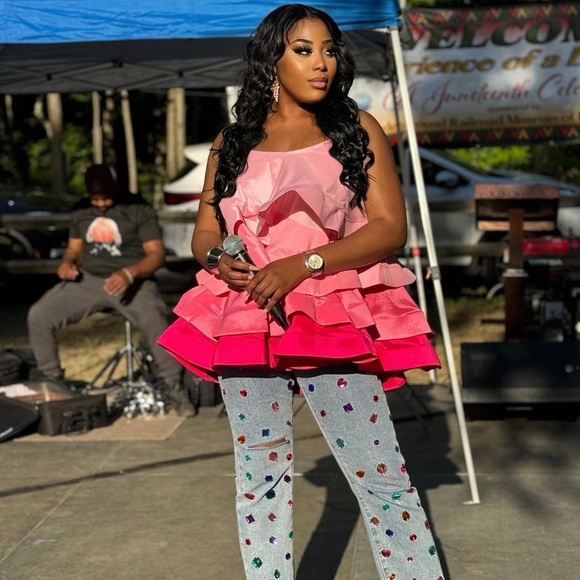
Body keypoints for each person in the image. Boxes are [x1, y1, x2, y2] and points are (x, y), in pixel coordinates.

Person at [159, 4, 445, 578]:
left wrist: (304, 263)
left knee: (379, 475)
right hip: (247, 320)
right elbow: (205, 234)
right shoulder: (231, 140)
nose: (322, 63)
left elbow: (390, 229)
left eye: (330, 50)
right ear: (271, 60)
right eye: (304, 50)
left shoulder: (356, 129)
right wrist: (219, 260)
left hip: (331, 317)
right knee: (259, 478)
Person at [27, 164, 196, 418]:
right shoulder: (81, 210)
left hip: (134, 281)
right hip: (90, 280)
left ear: (114, 189)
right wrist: (68, 262)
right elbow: (74, 248)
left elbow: (156, 255)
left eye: (105, 198)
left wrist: (129, 273)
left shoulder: (137, 208)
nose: (101, 203)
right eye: (95, 199)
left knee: (155, 320)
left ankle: (173, 384)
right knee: (39, 315)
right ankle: (53, 381)